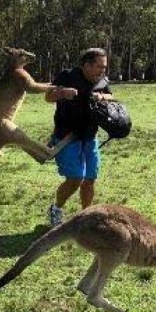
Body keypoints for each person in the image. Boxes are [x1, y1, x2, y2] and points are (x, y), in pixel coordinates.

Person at [45, 48, 113, 227]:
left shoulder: (101, 81)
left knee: (90, 179)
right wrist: (62, 93)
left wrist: (102, 96)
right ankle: (56, 209)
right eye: (99, 67)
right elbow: (48, 97)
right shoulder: (67, 76)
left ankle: (86, 217)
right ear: (86, 65)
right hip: (67, 136)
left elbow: (111, 96)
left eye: (104, 67)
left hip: (90, 136)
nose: (102, 71)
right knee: (75, 179)